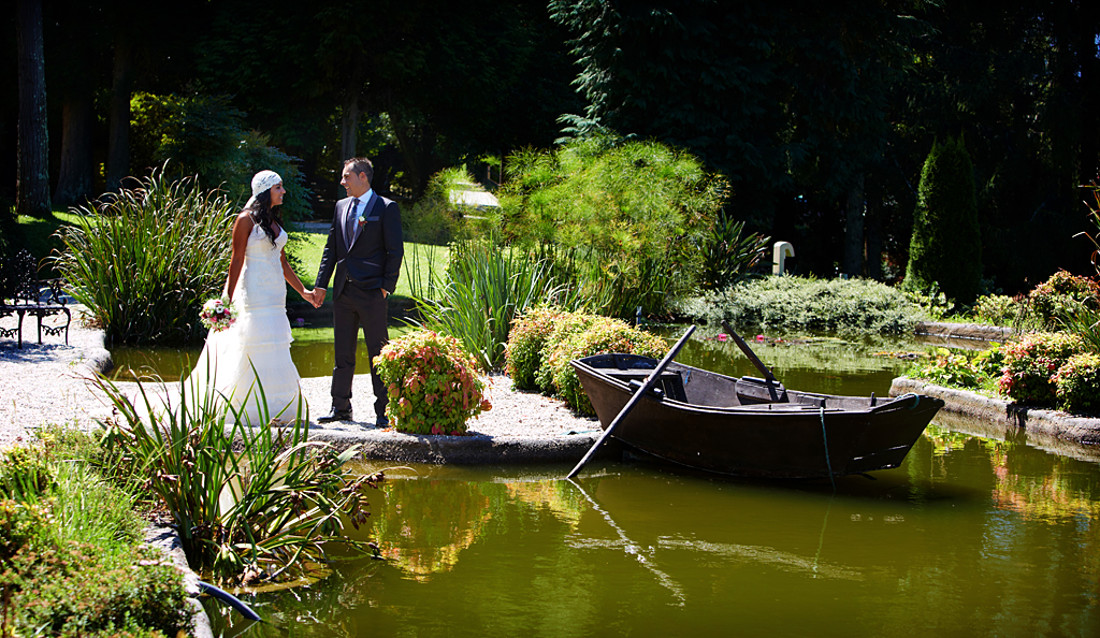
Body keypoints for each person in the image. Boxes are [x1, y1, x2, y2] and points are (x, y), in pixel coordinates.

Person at [181, 170, 322, 424]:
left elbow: (282, 261)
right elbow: (236, 260)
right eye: (279, 187)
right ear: (266, 190)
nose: (283, 192)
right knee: (254, 341)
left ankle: (278, 408)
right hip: (254, 292)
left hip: (275, 294)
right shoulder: (245, 220)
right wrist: (226, 299)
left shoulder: (274, 221)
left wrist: (304, 292)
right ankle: (244, 407)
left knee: (275, 343)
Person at [312, 157, 403, 425]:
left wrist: (386, 287)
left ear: (363, 177)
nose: (343, 182)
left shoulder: (386, 207)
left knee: (378, 353)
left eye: (346, 177)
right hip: (343, 291)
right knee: (342, 354)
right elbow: (331, 249)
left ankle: (384, 413)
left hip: (373, 292)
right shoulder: (340, 207)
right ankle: (340, 408)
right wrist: (321, 285)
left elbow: (394, 251)